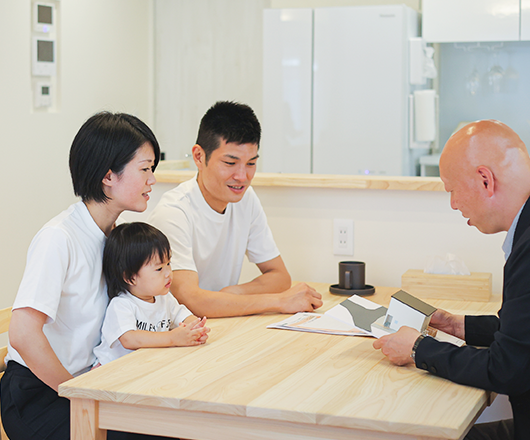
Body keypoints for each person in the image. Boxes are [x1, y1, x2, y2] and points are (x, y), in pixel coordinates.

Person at [373, 120, 530, 439]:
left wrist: (418, 349)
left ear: (485, 180)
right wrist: (459, 325)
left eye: (452, 190)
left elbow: (506, 370)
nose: (454, 204)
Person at [1, 112, 173, 440]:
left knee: (171, 421)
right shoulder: (59, 237)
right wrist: (77, 393)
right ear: (109, 176)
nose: (153, 180)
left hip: (92, 383)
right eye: (145, 169)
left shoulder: (117, 238)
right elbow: (22, 334)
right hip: (40, 395)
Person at [148, 101, 322, 318]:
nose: (242, 177)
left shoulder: (246, 200)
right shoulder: (174, 213)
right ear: (199, 157)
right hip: (178, 334)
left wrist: (234, 292)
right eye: (230, 163)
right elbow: (190, 300)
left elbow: (279, 276)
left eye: (251, 163)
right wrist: (279, 301)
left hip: (220, 325)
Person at [93, 222, 209, 366]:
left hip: (145, 366)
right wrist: (173, 338)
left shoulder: (164, 298)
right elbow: (129, 339)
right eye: (159, 269)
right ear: (130, 277)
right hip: (110, 371)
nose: (168, 273)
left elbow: (184, 317)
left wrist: (195, 329)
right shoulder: (122, 305)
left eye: (169, 263)